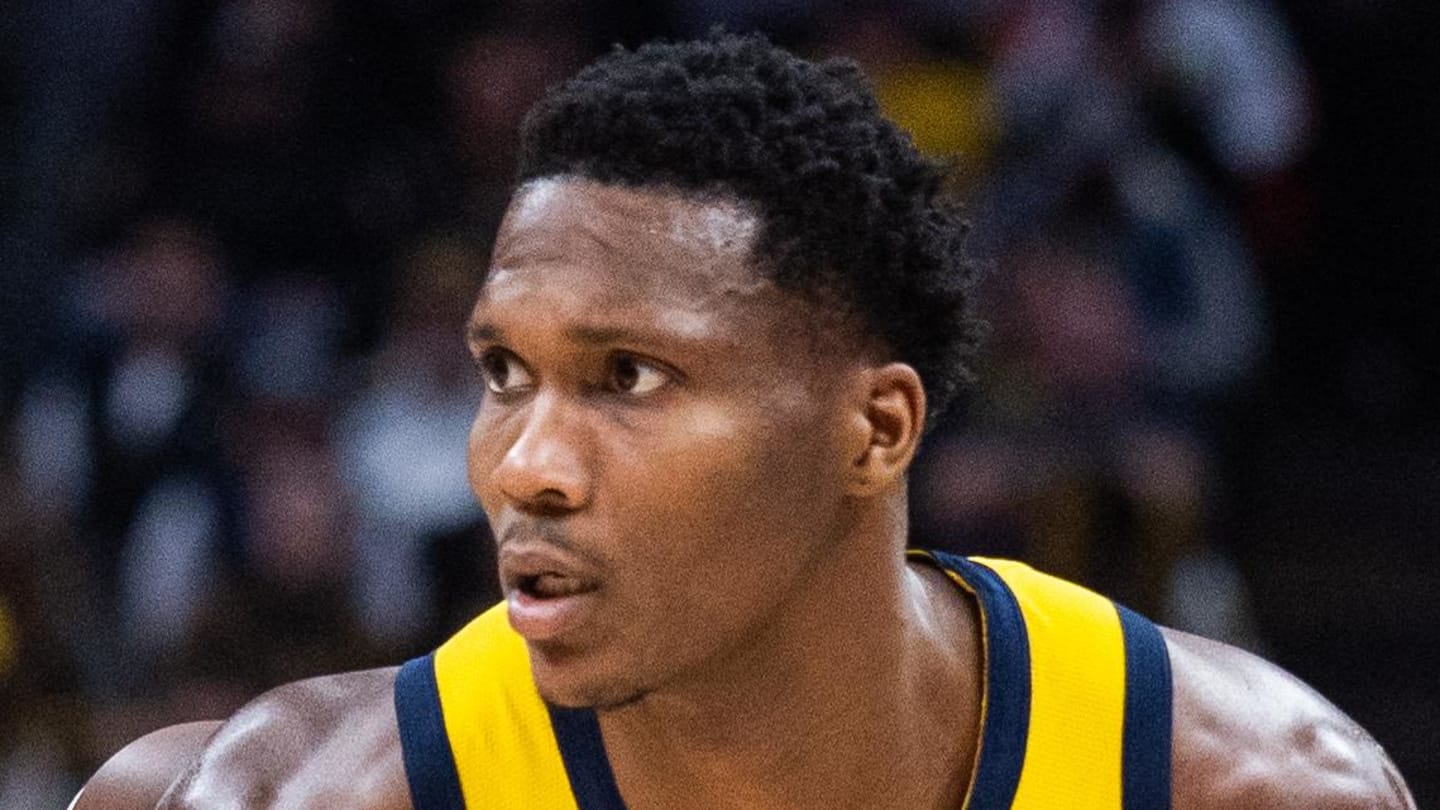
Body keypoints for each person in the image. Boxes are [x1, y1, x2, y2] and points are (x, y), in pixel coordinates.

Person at [76, 33, 1414, 809]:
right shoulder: (288, 795)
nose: (527, 466)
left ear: (875, 431)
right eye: (504, 372)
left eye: (629, 377)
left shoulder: (1241, 787)